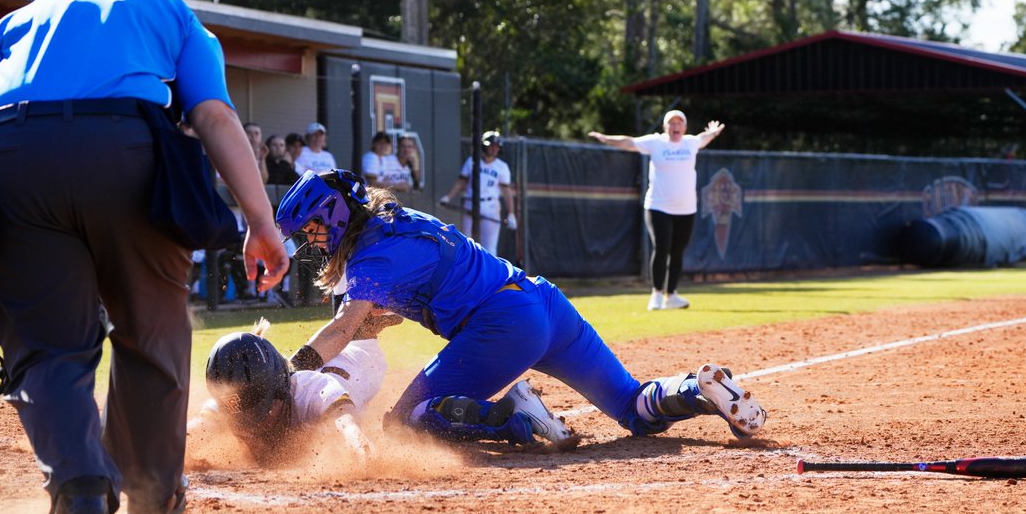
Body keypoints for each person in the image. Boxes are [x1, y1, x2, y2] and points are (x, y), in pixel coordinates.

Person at [0, 0, 290, 514]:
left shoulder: (24, 17)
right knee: (150, 326)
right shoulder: (168, 8)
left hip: (13, 161)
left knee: (46, 345)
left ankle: (77, 488)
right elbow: (212, 115)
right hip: (128, 155)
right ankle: (151, 493)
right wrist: (260, 222)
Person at [276, 170, 767, 449]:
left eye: (311, 229)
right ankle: (695, 389)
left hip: (502, 325)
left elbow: (342, 327)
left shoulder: (371, 254)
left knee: (403, 422)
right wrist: (377, 319)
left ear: (334, 215)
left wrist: (289, 372)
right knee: (634, 408)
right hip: (542, 303)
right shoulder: (399, 219)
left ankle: (517, 415)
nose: (309, 240)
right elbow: (419, 290)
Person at [201, 314, 398, 464]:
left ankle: (369, 319)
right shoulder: (232, 399)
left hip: (360, 355)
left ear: (281, 389)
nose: (256, 427)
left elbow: (343, 415)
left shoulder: (310, 390)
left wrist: (356, 440)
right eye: (246, 419)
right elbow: (195, 431)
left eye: (263, 412)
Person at [589, 110, 725, 311]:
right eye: (671, 123)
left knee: (677, 252)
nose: (675, 126)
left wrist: (713, 133)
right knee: (662, 247)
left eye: (679, 123)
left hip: (686, 208)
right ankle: (656, 294)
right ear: (665, 127)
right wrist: (606, 139)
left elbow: (704, 138)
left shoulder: (691, 143)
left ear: (685, 127)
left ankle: (672, 295)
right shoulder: (656, 143)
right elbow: (629, 142)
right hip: (658, 206)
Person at [438, 131, 516, 256]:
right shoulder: (472, 161)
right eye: (492, 145)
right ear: (484, 145)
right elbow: (461, 182)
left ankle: (489, 275)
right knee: (466, 242)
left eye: (497, 146)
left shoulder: (502, 167)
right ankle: (466, 274)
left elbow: (507, 191)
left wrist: (511, 214)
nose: (494, 149)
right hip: (470, 203)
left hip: (490, 205)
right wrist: (449, 197)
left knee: (489, 247)